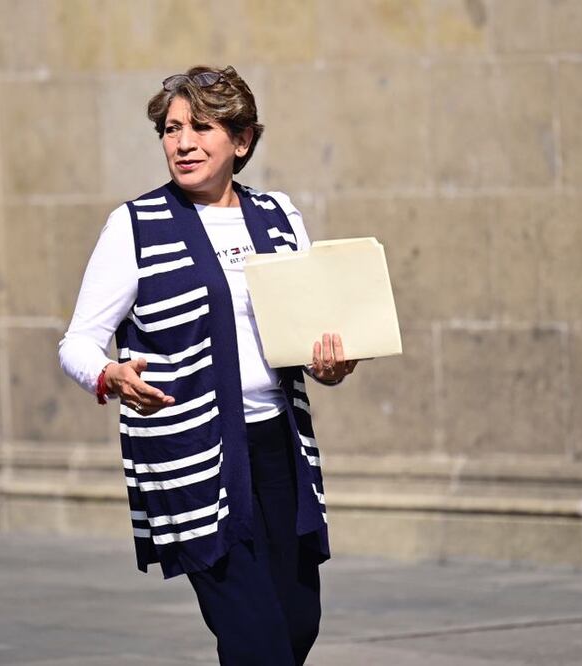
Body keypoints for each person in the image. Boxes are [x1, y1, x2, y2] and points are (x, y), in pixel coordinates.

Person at [58, 65, 358, 665]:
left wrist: (331, 365)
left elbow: (306, 333)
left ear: (241, 141)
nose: (184, 142)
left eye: (202, 126)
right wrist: (109, 375)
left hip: (278, 450)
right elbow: (77, 343)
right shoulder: (134, 227)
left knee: (299, 621)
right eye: (171, 129)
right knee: (256, 640)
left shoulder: (279, 218)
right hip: (190, 459)